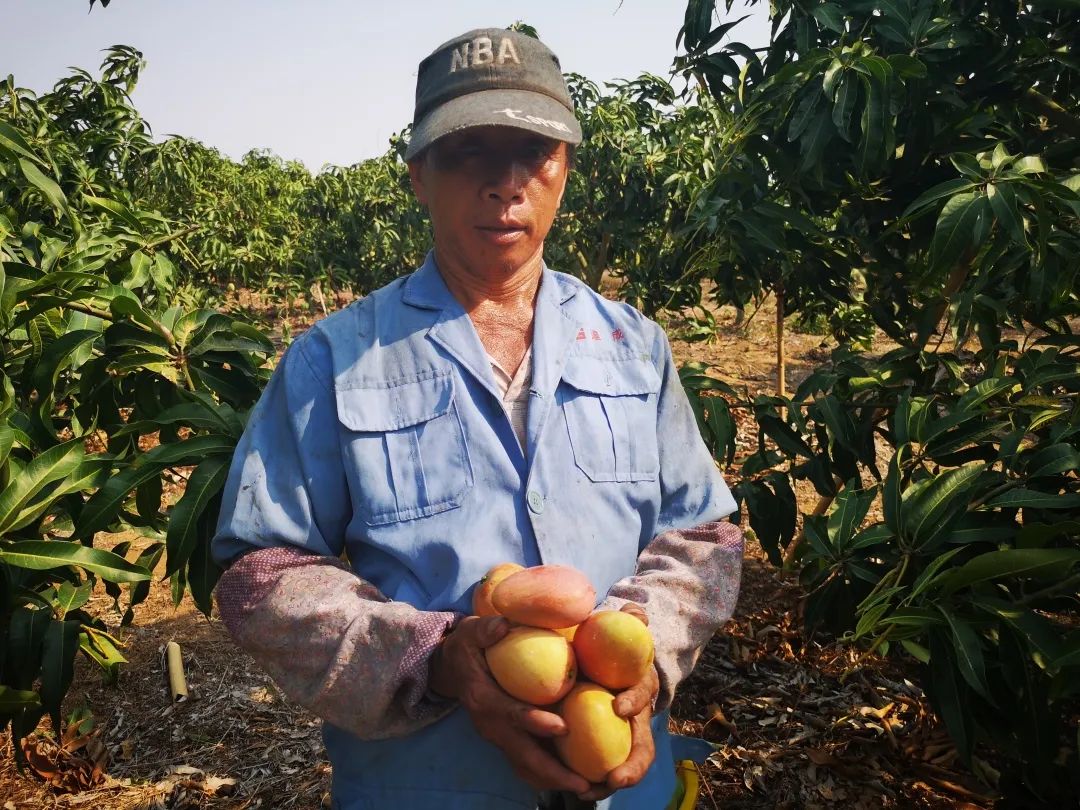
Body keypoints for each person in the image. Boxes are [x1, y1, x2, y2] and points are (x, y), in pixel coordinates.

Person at [212, 27, 743, 810]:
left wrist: (640, 653)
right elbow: (260, 576)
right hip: (426, 788)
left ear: (565, 171)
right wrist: (434, 658)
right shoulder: (334, 359)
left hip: (627, 785)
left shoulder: (633, 345)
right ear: (418, 175)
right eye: (469, 153)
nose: (506, 184)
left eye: (534, 152)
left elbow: (704, 536)